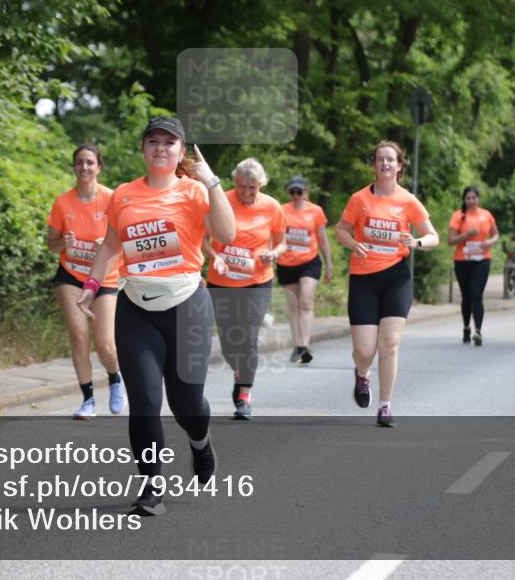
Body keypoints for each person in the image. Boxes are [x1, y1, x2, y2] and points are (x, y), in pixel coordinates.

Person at [76, 116, 234, 516]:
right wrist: (92, 286)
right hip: (136, 308)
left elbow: (227, 234)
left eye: (169, 142)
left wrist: (211, 179)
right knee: (145, 401)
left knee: (187, 404)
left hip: (187, 305)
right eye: (153, 141)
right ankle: (151, 486)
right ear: (143, 149)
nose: (160, 148)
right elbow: (112, 243)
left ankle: (201, 443)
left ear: (181, 152)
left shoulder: (196, 191)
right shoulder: (124, 195)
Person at [335, 141, 439, 427]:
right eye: (380, 159)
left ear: (399, 166)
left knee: (390, 344)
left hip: (396, 277)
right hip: (364, 279)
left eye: (390, 160)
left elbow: (433, 236)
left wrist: (416, 241)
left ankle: (385, 406)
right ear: (374, 165)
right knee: (365, 351)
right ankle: (362, 374)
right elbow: (341, 230)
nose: (385, 164)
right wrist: (353, 244)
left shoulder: (408, 201)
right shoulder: (359, 199)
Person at [204, 158, 287, 420]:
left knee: (248, 336)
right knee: (229, 342)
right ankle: (240, 374)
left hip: (257, 282)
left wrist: (273, 253)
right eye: (242, 187)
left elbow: (282, 243)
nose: (247, 193)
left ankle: (244, 395)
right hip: (222, 281)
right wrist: (214, 255)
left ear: (261, 185)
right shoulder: (221, 200)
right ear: (234, 182)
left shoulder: (272, 206)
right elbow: (201, 238)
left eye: (253, 188)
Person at [47, 144, 125, 420]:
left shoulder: (112, 198)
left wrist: (105, 245)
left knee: (105, 344)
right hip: (71, 275)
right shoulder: (62, 202)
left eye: (90, 163)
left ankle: (115, 379)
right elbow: (51, 246)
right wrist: (62, 242)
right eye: (79, 163)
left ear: (99, 167)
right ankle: (88, 400)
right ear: (74, 167)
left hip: (104, 277)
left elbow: (124, 241)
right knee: (80, 337)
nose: (84, 168)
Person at [277, 175, 332, 364]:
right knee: (294, 306)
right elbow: (275, 236)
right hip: (286, 263)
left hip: (310, 262)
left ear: (305, 192)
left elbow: (323, 239)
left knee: (306, 302)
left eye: (299, 192)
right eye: (292, 192)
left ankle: (304, 346)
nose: (295, 195)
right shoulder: (282, 210)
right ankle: (297, 345)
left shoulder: (316, 211)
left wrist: (329, 265)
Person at [446, 186, 499, 346]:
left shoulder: (486, 215)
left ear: (478, 199)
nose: (471, 201)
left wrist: (489, 242)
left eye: (473, 198)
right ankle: (466, 327)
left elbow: (496, 234)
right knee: (466, 296)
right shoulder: (458, 216)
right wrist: (466, 235)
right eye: (468, 198)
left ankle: (478, 331)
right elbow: (450, 241)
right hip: (462, 260)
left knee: (476, 294)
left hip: (482, 260)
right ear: (464, 200)